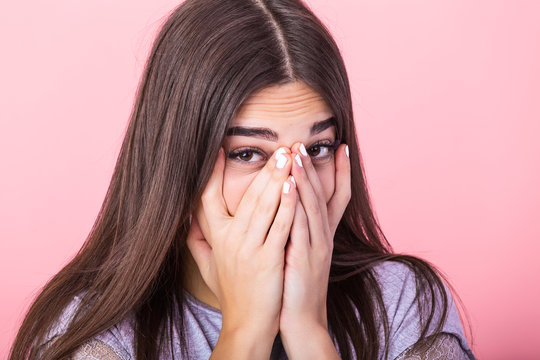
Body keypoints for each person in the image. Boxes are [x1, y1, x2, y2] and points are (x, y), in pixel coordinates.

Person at [9, 0, 477, 359]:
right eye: (249, 153)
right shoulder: (95, 335)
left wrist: (310, 332)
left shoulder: (404, 303)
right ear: (179, 165)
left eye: (315, 149)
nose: (290, 188)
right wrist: (245, 334)